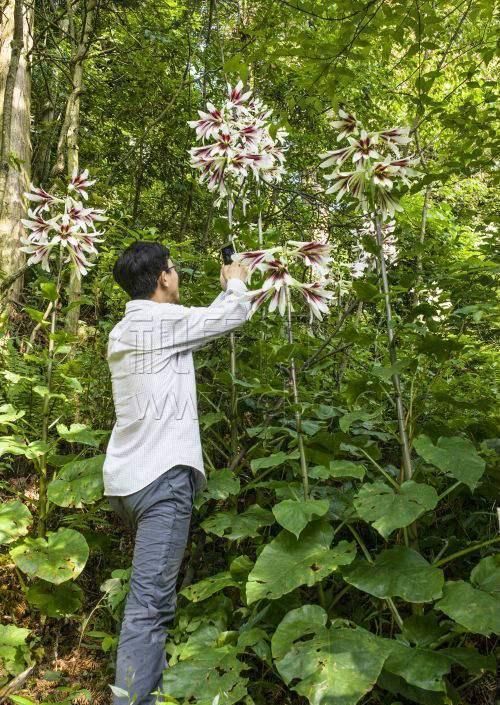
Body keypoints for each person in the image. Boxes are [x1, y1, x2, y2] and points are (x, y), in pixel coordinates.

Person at [103, 241, 250, 704]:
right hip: (162, 481)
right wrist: (237, 280)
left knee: (150, 600)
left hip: (128, 481)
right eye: (174, 269)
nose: (177, 275)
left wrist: (226, 290)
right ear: (163, 278)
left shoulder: (125, 329)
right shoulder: (159, 323)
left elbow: (196, 325)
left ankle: (149, 690)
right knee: (150, 607)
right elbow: (230, 317)